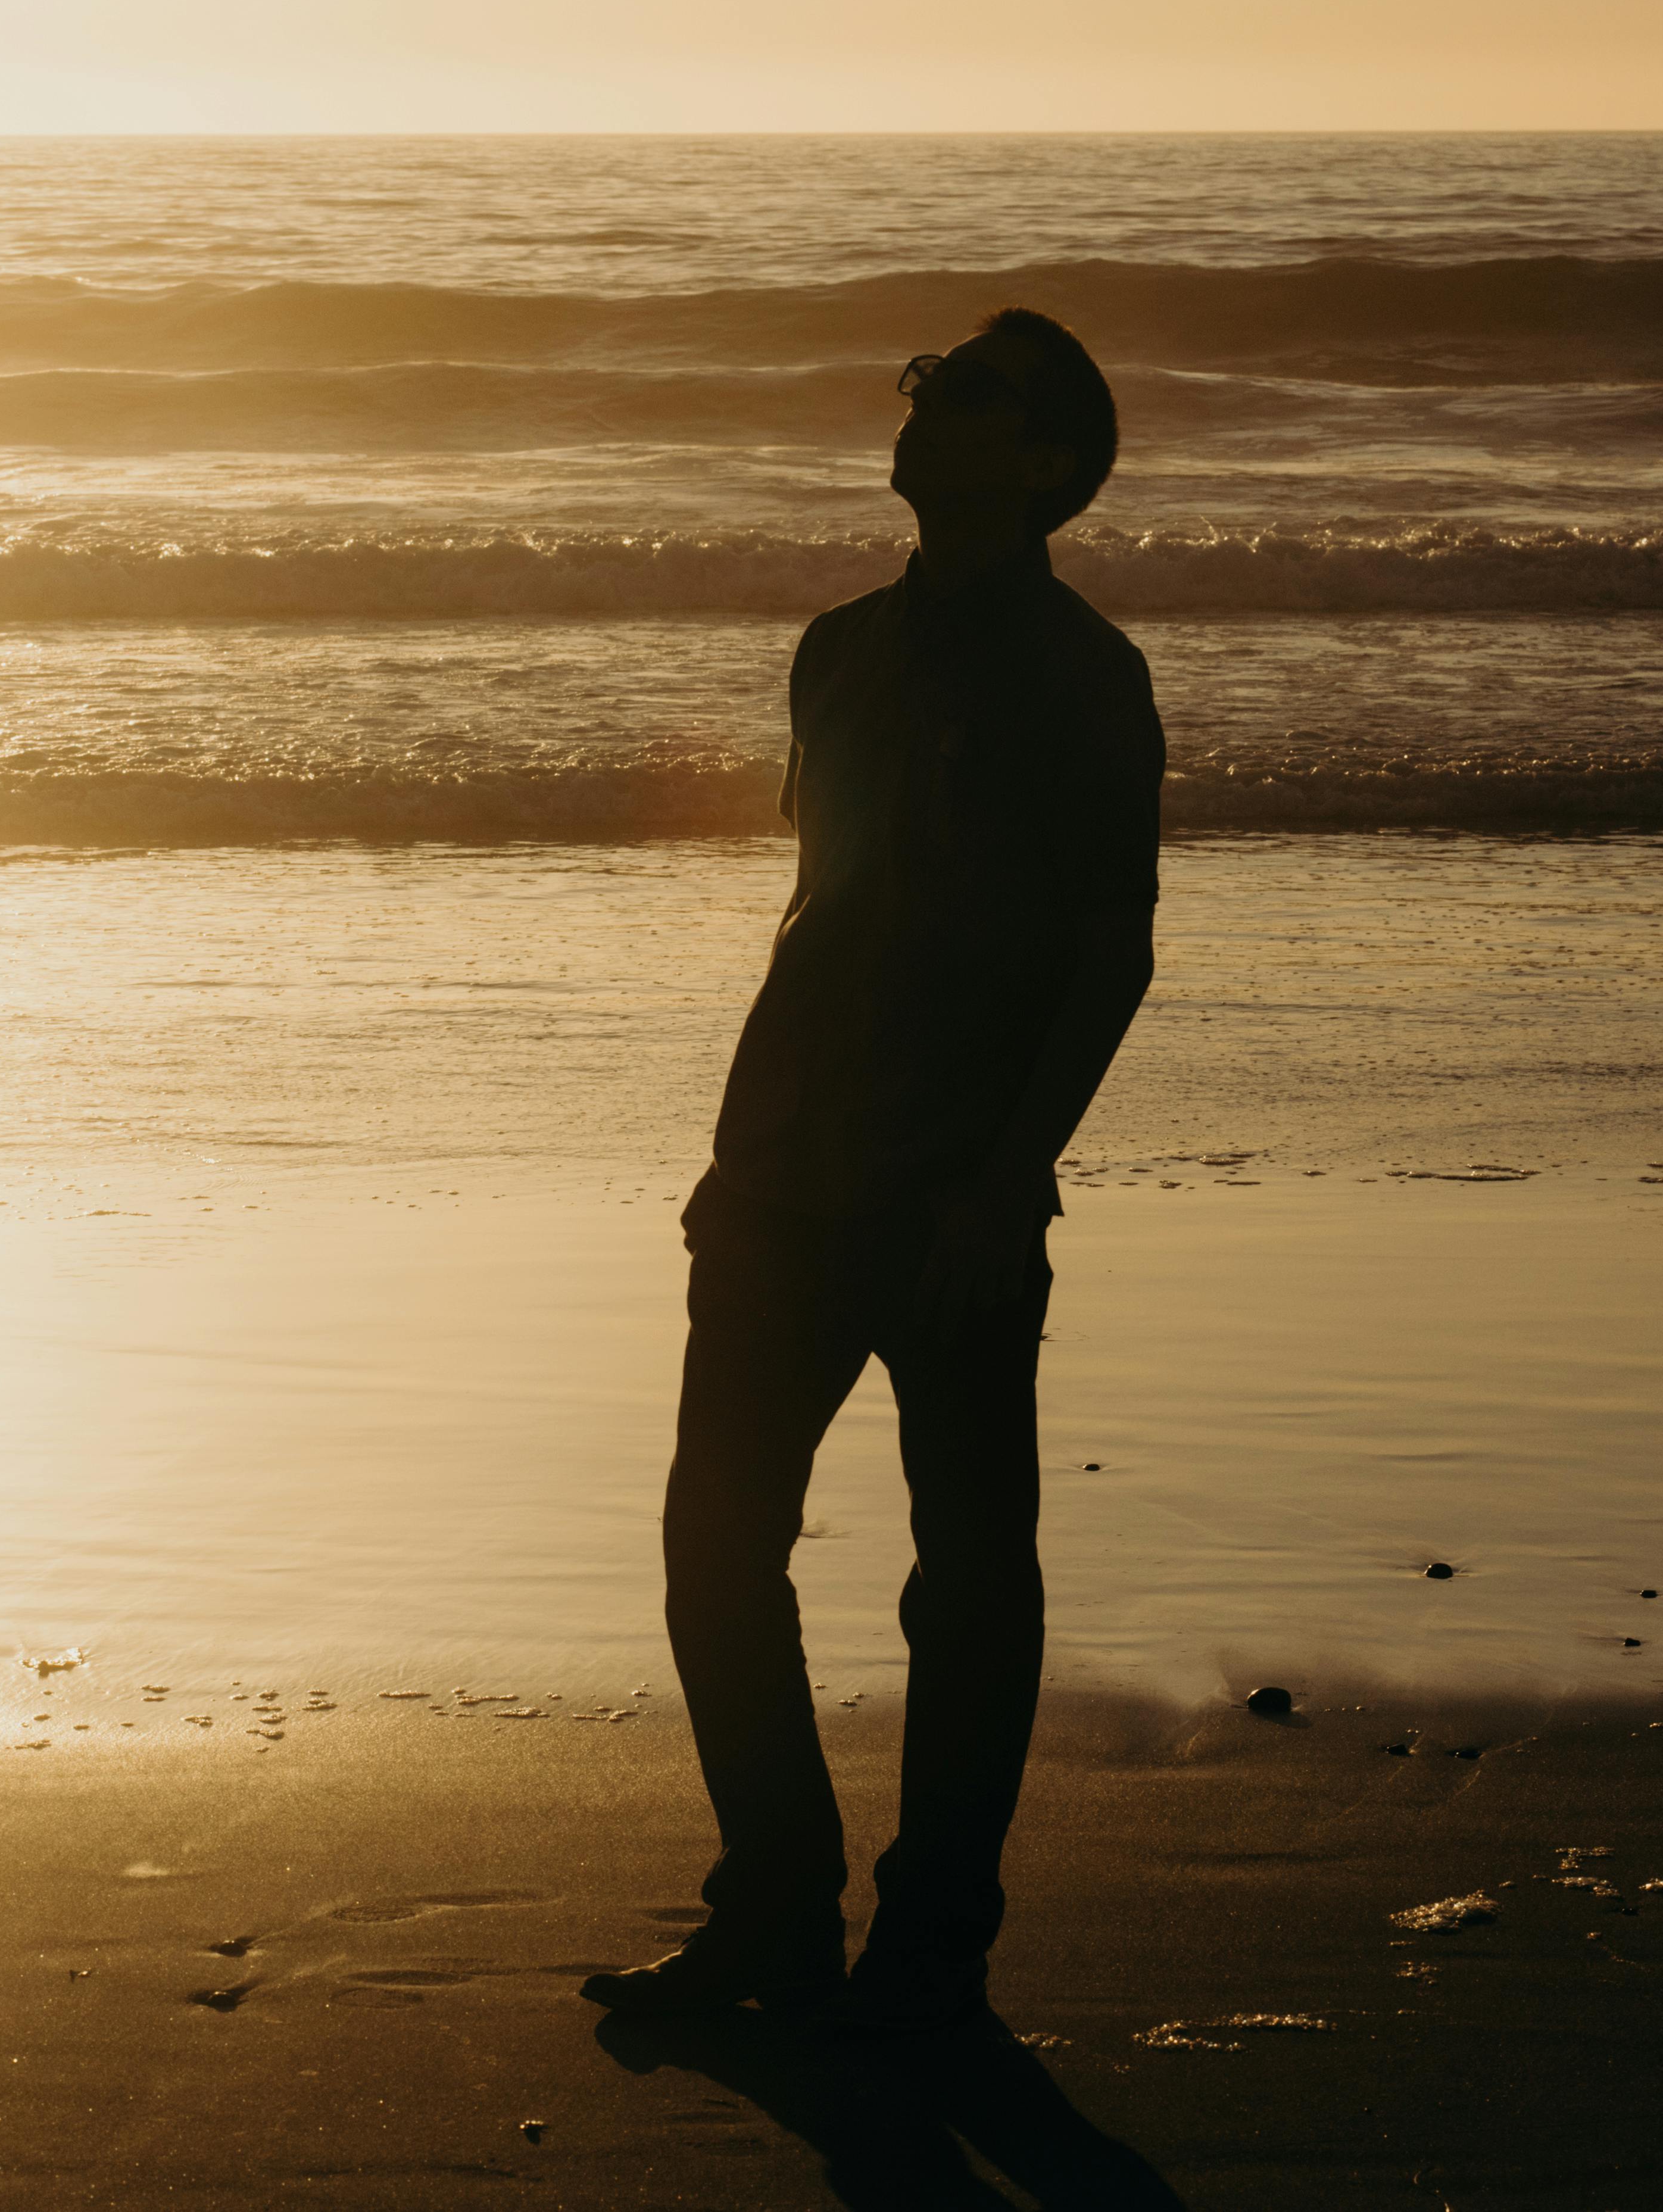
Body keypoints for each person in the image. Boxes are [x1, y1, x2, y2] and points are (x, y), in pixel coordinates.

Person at [582, 307, 1163, 2037]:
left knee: (970, 1568)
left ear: (1048, 459)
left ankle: (930, 1951)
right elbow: (818, 918)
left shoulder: (1082, 678)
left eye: (968, 392)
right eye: (924, 385)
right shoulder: (836, 648)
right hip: (780, 1172)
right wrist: (734, 1149)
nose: (922, 407)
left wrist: (1009, 1179)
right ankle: (773, 1906)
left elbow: (1110, 953)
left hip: (954, 1191)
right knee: (715, 1538)